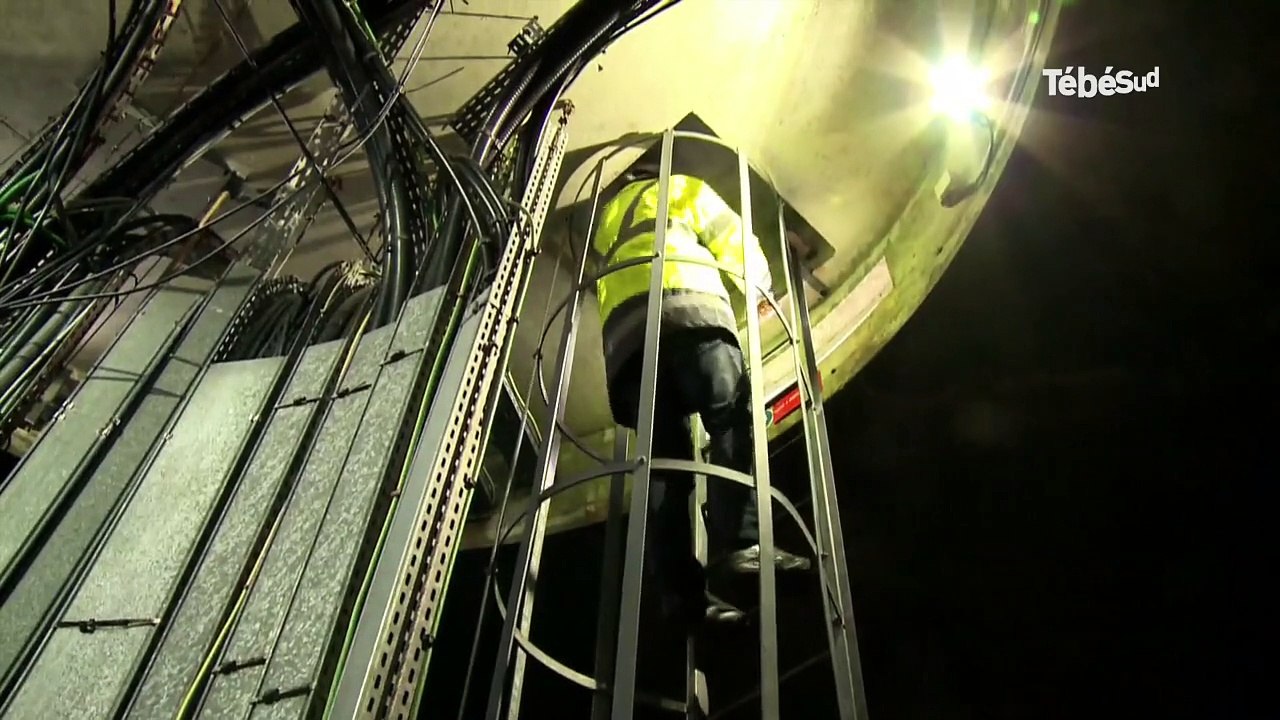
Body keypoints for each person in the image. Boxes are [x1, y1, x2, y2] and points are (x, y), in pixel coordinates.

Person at [593, 166, 810, 627]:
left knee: (665, 469)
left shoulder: (606, 224)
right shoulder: (677, 186)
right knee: (731, 419)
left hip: (628, 348)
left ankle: (679, 594)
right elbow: (729, 233)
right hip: (689, 310)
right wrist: (760, 286)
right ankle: (742, 544)